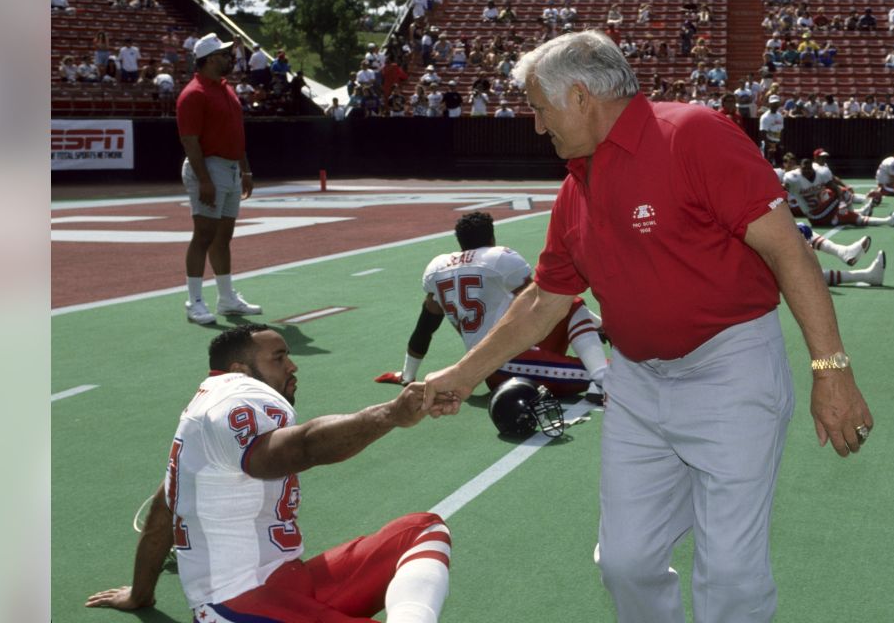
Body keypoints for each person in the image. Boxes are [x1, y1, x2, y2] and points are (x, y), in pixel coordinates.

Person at [420, 31, 873, 623]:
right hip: (636, 382)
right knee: (624, 562)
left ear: (580, 96)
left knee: (732, 573)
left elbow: (790, 251)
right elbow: (546, 299)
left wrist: (831, 369)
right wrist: (461, 374)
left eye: (538, 107)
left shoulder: (692, 134)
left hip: (729, 371)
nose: (536, 125)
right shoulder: (575, 189)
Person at [85, 324, 451, 623]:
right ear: (240, 370)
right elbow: (299, 449)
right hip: (240, 605)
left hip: (285, 582)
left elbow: (164, 509)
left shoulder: (203, 419)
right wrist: (389, 415)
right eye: (279, 358)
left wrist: (140, 592)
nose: (292, 366)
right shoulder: (237, 393)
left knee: (421, 529)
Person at [378, 211, 609, 402]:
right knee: (620, 374)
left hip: (494, 357)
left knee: (569, 302)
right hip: (504, 361)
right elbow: (544, 303)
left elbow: (424, 328)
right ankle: (600, 379)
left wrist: (407, 376)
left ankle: (598, 377)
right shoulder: (498, 258)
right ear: (491, 239)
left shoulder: (437, 269)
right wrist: (602, 326)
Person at [176, 34, 264, 325]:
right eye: (225, 54)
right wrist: (204, 179)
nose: (230, 58)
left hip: (229, 169)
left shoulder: (225, 89)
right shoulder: (194, 93)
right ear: (211, 58)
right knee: (203, 234)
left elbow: (235, 133)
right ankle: (195, 302)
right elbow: (190, 140)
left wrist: (246, 169)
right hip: (210, 168)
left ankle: (226, 299)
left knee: (223, 236)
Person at [784, 158, 894, 229]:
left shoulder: (821, 173)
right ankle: (850, 210)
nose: (807, 172)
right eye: (804, 169)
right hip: (814, 215)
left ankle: (888, 221)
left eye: (809, 169)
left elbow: (833, 187)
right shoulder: (792, 178)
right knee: (843, 193)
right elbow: (782, 193)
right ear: (800, 169)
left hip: (825, 212)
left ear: (813, 169)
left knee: (853, 218)